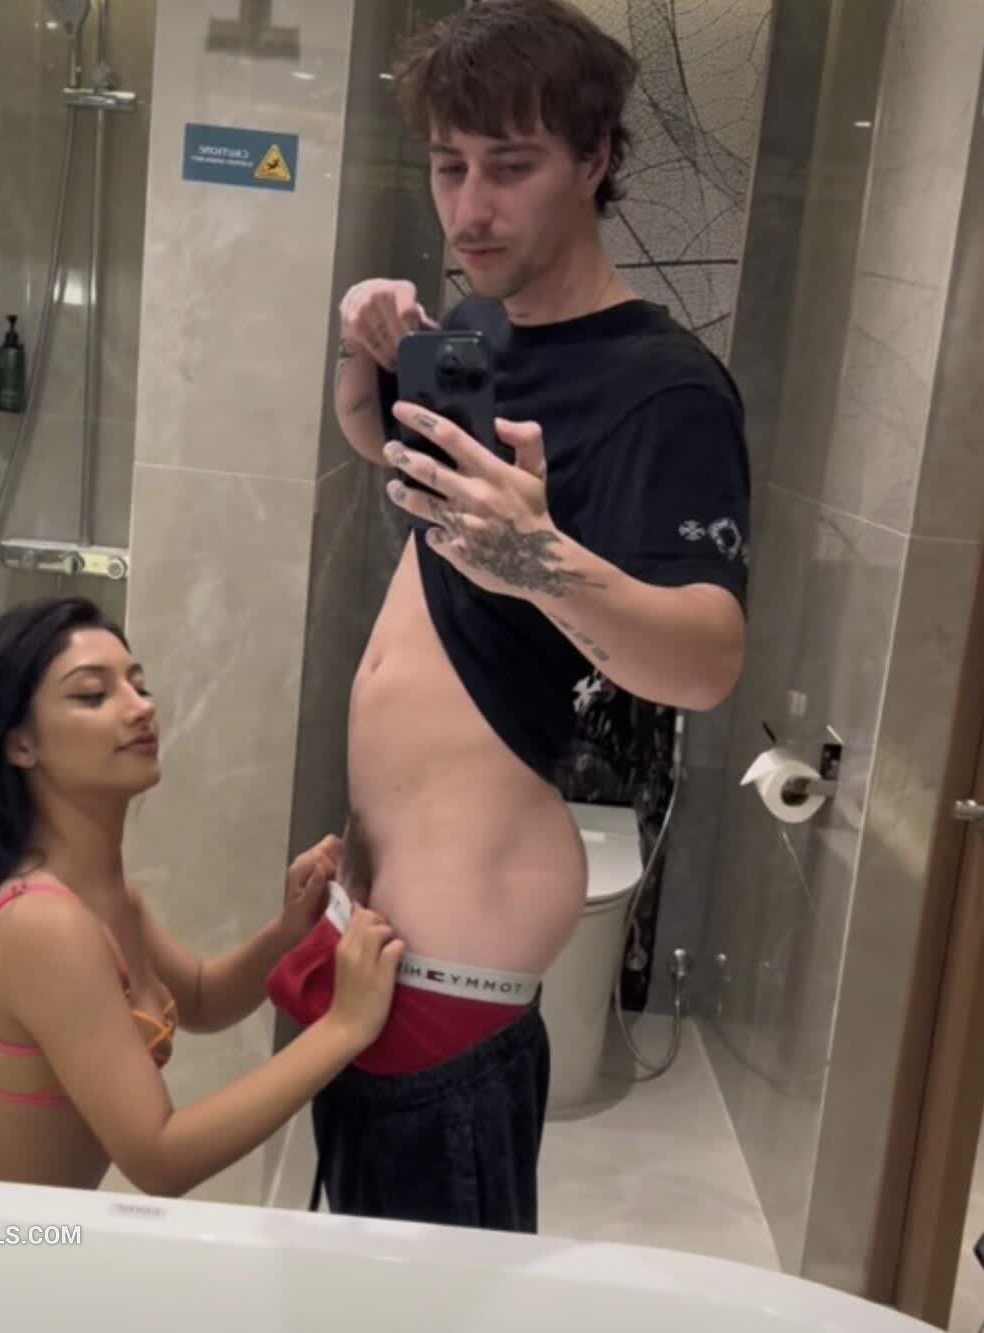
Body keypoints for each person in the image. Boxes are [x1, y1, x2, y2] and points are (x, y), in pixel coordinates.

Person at [267, 0, 750, 1233]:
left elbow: (707, 660)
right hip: (383, 929)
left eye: (512, 167)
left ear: (595, 161)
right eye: (450, 166)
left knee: (428, 1303)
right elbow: (386, 451)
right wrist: (360, 351)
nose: (470, 209)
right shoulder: (473, 334)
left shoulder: (665, 388)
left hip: (462, 956)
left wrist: (539, 561)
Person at [0, 596, 402, 1194]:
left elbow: (201, 998)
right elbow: (160, 1158)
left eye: (140, 686)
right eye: (93, 695)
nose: (141, 708)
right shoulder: (42, 925)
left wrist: (289, 931)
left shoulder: (108, 899)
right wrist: (343, 1027)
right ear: (20, 745)